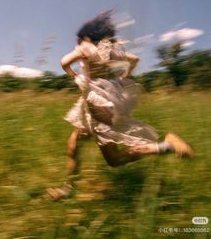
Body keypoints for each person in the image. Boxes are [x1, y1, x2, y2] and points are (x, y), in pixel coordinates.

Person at [46, 11, 194, 200]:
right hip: (108, 100)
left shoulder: (85, 46)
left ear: (86, 37)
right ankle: (68, 189)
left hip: (96, 104)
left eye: (78, 39)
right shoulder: (113, 50)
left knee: (114, 160)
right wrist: (125, 76)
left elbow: (64, 62)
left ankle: (167, 146)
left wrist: (74, 76)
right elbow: (135, 60)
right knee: (74, 142)